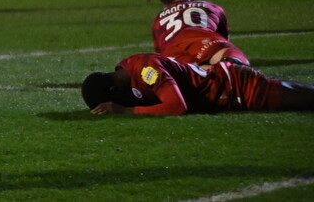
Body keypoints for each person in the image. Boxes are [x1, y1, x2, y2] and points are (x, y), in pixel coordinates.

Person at [81, 53, 314, 116]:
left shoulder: (146, 71)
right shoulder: (125, 68)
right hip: (225, 80)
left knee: (306, 99)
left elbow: (176, 106)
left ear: (114, 92)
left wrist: (126, 110)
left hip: (237, 88)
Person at [152, 0, 248, 67]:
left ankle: (200, 71)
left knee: (197, 73)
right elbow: (224, 39)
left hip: (171, 57)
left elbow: (159, 54)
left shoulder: (157, 20)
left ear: (164, 4)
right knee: (237, 63)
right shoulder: (211, 7)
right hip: (199, 38)